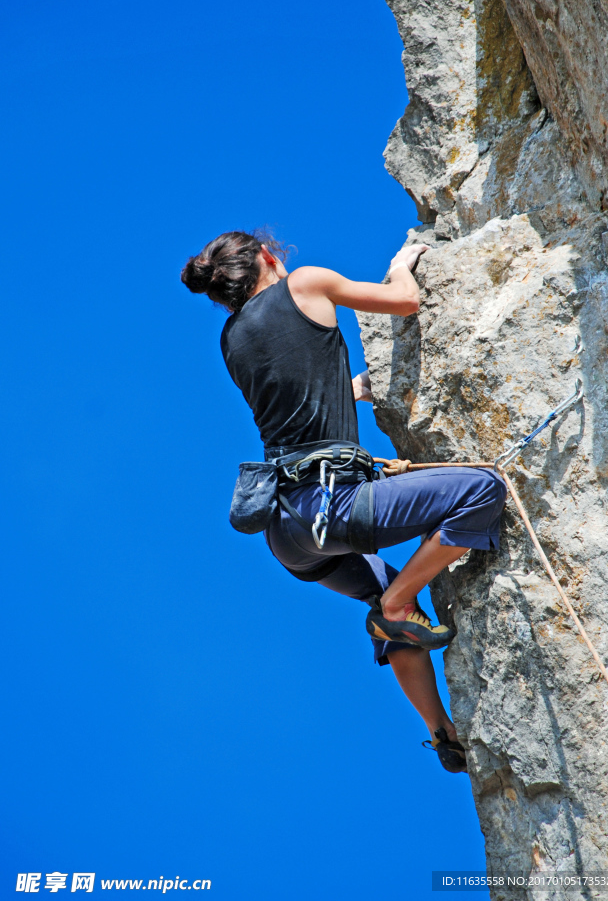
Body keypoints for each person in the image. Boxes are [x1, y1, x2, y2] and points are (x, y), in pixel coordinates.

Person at [181, 230, 507, 774]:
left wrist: (354, 387)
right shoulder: (307, 283)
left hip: (287, 531)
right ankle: (397, 607)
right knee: (482, 489)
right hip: (334, 504)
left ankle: (442, 732)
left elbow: (295, 397)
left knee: (380, 596)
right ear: (267, 256)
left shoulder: (232, 338)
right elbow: (406, 302)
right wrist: (402, 265)